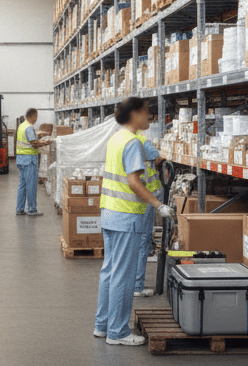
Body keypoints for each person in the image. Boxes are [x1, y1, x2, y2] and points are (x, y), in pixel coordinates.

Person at [94, 97, 172, 346]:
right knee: (123, 276)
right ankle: (117, 332)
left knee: (109, 272)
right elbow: (134, 182)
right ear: (135, 114)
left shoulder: (116, 138)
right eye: (147, 112)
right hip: (126, 216)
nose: (149, 117)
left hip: (110, 213)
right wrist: (158, 205)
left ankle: (103, 325)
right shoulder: (132, 143)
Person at [134, 138, 165, 298]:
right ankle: (137, 286)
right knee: (143, 241)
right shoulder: (142, 141)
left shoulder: (120, 140)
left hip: (134, 199)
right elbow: (158, 158)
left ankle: (133, 284)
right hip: (146, 197)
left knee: (135, 242)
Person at [14, 108, 53, 216]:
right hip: (29, 160)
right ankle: (31, 209)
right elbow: (34, 144)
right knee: (31, 185)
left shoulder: (21, 126)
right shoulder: (29, 128)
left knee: (22, 185)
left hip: (21, 160)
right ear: (33, 116)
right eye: (36, 116)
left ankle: (19, 208)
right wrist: (48, 142)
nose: (37, 119)